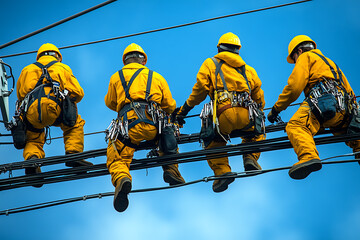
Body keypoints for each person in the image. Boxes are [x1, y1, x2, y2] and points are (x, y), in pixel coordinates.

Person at [175, 32, 266, 193]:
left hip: (223, 115)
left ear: (219, 48)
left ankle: (223, 172)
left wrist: (184, 111)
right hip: (247, 115)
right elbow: (259, 99)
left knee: (212, 141)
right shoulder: (248, 70)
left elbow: (200, 91)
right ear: (238, 49)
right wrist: (259, 115)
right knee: (257, 133)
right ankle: (250, 158)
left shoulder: (211, 64)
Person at [105, 43, 185, 212]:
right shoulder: (156, 77)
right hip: (154, 125)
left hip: (129, 126)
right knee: (167, 136)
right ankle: (171, 170)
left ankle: (121, 179)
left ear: (125, 60)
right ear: (143, 60)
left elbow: (110, 102)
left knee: (116, 154)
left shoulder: (116, 77)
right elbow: (170, 105)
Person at [267, 35, 360, 180]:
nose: (296, 61)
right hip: (343, 109)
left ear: (299, 51)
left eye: (294, 58)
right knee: (353, 135)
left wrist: (276, 109)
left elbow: (294, 88)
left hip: (322, 101)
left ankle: (308, 156)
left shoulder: (306, 57)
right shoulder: (331, 63)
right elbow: (351, 94)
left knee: (296, 126)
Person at [16, 43, 93, 187]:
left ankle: (32, 160)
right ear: (57, 56)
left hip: (32, 111)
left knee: (33, 137)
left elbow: (20, 96)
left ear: (39, 56)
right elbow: (78, 93)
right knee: (75, 124)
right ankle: (73, 155)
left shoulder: (27, 70)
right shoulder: (62, 68)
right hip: (54, 107)